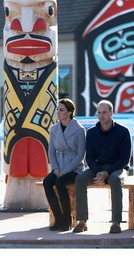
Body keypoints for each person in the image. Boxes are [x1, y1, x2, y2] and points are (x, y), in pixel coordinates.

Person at [72, 100, 132, 234]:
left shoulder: (123, 132)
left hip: (117, 168)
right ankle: (82, 221)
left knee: (115, 180)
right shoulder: (92, 132)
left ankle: (116, 222)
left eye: (104, 112)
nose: (101, 116)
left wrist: (107, 173)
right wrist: (99, 172)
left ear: (111, 113)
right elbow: (90, 158)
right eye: (99, 113)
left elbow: (124, 159)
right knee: (80, 178)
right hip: (97, 168)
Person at [43, 98, 86, 231]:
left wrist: (66, 170)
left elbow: (80, 154)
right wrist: (55, 168)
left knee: (60, 182)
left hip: (75, 168)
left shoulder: (79, 129)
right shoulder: (54, 129)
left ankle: (67, 220)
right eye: (57, 109)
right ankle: (58, 218)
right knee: (47, 181)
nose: (58, 112)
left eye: (61, 110)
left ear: (70, 112)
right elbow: (51, 151)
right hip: (59, 166)